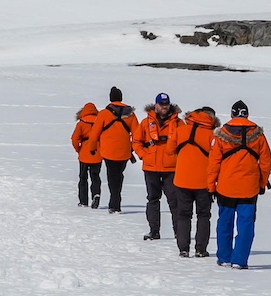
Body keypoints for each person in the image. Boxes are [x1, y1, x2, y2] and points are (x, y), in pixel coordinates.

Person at [208, 101, 271, 268]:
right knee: (245, 225)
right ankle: (240, 260)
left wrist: (211, 186)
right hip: (249, 188)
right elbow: (266, 162)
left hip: (225, 186)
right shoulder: (258, 135)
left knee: (224, 223)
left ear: (232, 114)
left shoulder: (221, 134)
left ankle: (224, 257)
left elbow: (213, 163)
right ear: (247, 115)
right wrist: (262, 183)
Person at [170, 105, 218, 257]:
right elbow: (217, 158)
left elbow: (169, 150)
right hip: (204, 182)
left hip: (182, 180)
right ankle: (201, 249)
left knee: (183, 215)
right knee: (203, 215)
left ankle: (183, 249)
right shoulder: (212, 135)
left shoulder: (180, 130)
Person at [136, 93, 182, 242]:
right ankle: (154, 231)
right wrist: (144, 154)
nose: (164, 107)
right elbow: (136, 141)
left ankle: (179, 232)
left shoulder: (179, 124)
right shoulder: (145, 123)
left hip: (171, 168)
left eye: (166, 104)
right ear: (155, 105)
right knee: (153, 199)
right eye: (161, 104)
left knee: (174, 201)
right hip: (151, 167)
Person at [90, 86, 140, 213]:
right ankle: (115, 200)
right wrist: (134, 149)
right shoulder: (130, 113)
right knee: (118, 175)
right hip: (124, 152)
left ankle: (115, 204)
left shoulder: (103, 114)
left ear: (111, 98)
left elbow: (94, 134)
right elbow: (137, 134)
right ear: (121, 98)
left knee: (112, 176)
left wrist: (92, 148)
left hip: (108, 152)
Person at [71, 103, 102, 208]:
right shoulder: (100, 122)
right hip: (98, 153)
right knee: (95, 177)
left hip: (84, 154)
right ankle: (96, 194)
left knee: (83, 178)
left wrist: (79, 150)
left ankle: (83, 201)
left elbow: (75, 139)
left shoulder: (81, 123)